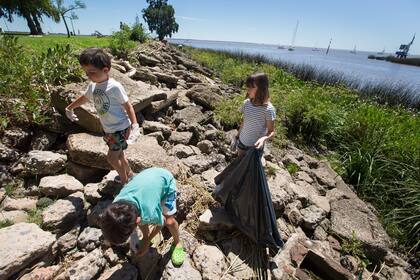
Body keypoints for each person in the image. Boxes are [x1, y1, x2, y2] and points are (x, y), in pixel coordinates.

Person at [65, 48, 140, 184]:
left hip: (120, 128)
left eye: (92, 72)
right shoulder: (93, 86)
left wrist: (135, 125)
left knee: (111, 158)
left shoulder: (114, 87)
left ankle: (125, 182)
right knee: (120, 154)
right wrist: (70, 107)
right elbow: (84, 98)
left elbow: (128, 106)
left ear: (106, 70)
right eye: (86, 73)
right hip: (108, 129)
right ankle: (129, 173)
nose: (88, 76)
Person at [100, 167, 185, 267]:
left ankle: (178, 242)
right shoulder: (115, 205)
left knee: (170, 221)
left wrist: (147, 240)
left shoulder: (149, 212)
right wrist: (145, 237)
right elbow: (140, 220)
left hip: (166, 180)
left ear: (138, 220)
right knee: (142, 219)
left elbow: (161, 223)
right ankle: (146, 234)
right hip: (148, 175)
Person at [235, 72, 276, 156]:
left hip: (255, 148)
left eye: (252, 87)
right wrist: (237, 136)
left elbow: (271, 132)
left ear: (262, 89)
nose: (248, 89)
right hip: (242, 142)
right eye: (248, 86)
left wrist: (264, 138)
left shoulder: (268, 109)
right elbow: (244, 122)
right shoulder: (246, 103)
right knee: (240, 163)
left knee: (250, 168)